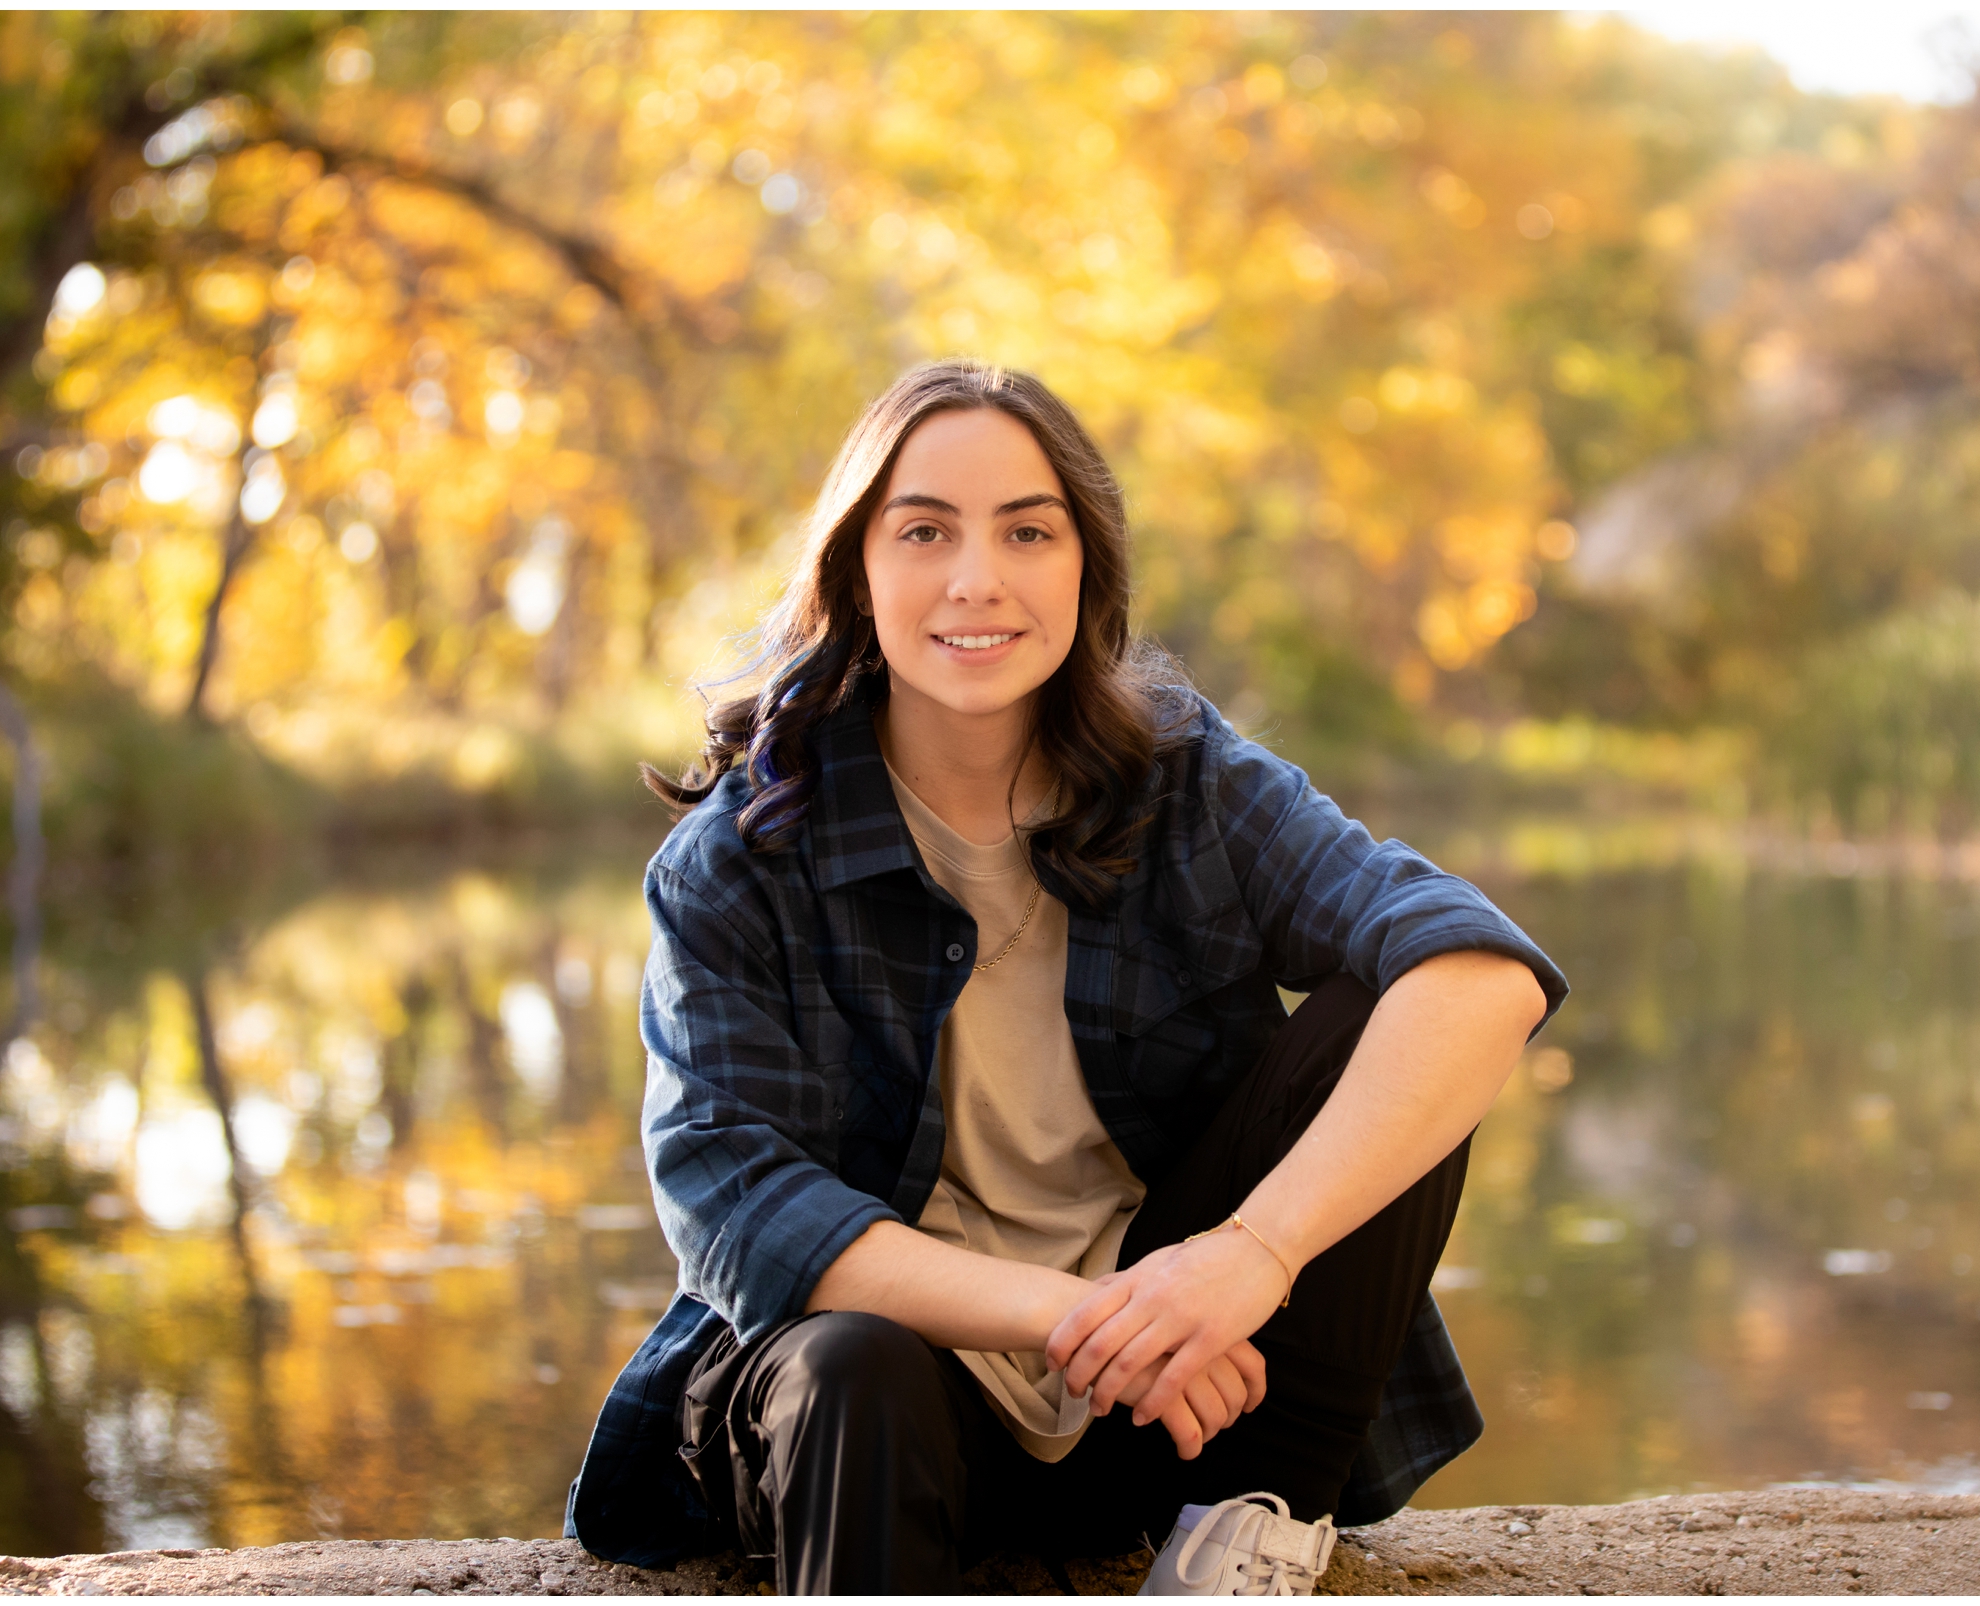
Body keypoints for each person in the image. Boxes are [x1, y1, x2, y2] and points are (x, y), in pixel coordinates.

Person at [565, 360, 1566, 1594]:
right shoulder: (743, 857)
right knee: (849, 1364)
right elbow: (740, 1201)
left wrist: (1247, 1257)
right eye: (924, 529)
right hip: (892, 1418)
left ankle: (1251, 1530)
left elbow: (1484, 976)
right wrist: (1074, 1314)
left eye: (1027, 531)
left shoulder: (1186, 776)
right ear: (855, 572)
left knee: (1402, 1012)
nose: (977, 579)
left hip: (1181, 1409)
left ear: (1085, 566)